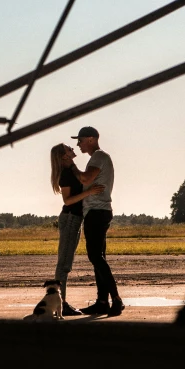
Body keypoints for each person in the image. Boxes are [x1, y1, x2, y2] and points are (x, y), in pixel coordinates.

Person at [68, 126, 124, 317]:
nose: (78, 144)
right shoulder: (98, 158)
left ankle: (116, 299)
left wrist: (70, 165)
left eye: (81, 140)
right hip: (98, 212)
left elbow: (85, 177)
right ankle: (102, 301)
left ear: (91, 139)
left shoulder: (99, 156)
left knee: (95, 256)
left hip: (97, 212)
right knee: (98, 257)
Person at [51, 142, 105, 316]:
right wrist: (89, 193)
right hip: (70, 219)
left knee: (65, 262)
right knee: (64, 264)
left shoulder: (71, 170)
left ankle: (60, 302)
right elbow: (67, 201)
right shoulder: (66, 174)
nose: (73, 148)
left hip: (75, 219)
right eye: (68, 148)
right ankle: (61, 304)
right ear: (63, 155)